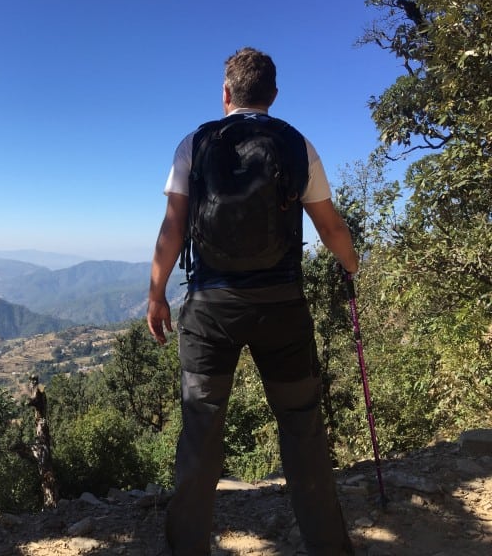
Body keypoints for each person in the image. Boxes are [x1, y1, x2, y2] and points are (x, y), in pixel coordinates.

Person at [146, 47, 358, 556]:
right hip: (281, 306)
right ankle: (329, 547)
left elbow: (174, 227)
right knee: (302, 427)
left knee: (200, 430)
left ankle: (187, 549)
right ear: (273, 95)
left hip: (210, 310)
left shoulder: (194, 144)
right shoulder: (295, 144)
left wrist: (156, 294)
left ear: (226, 93)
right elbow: (329, 226)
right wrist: (352, 267)